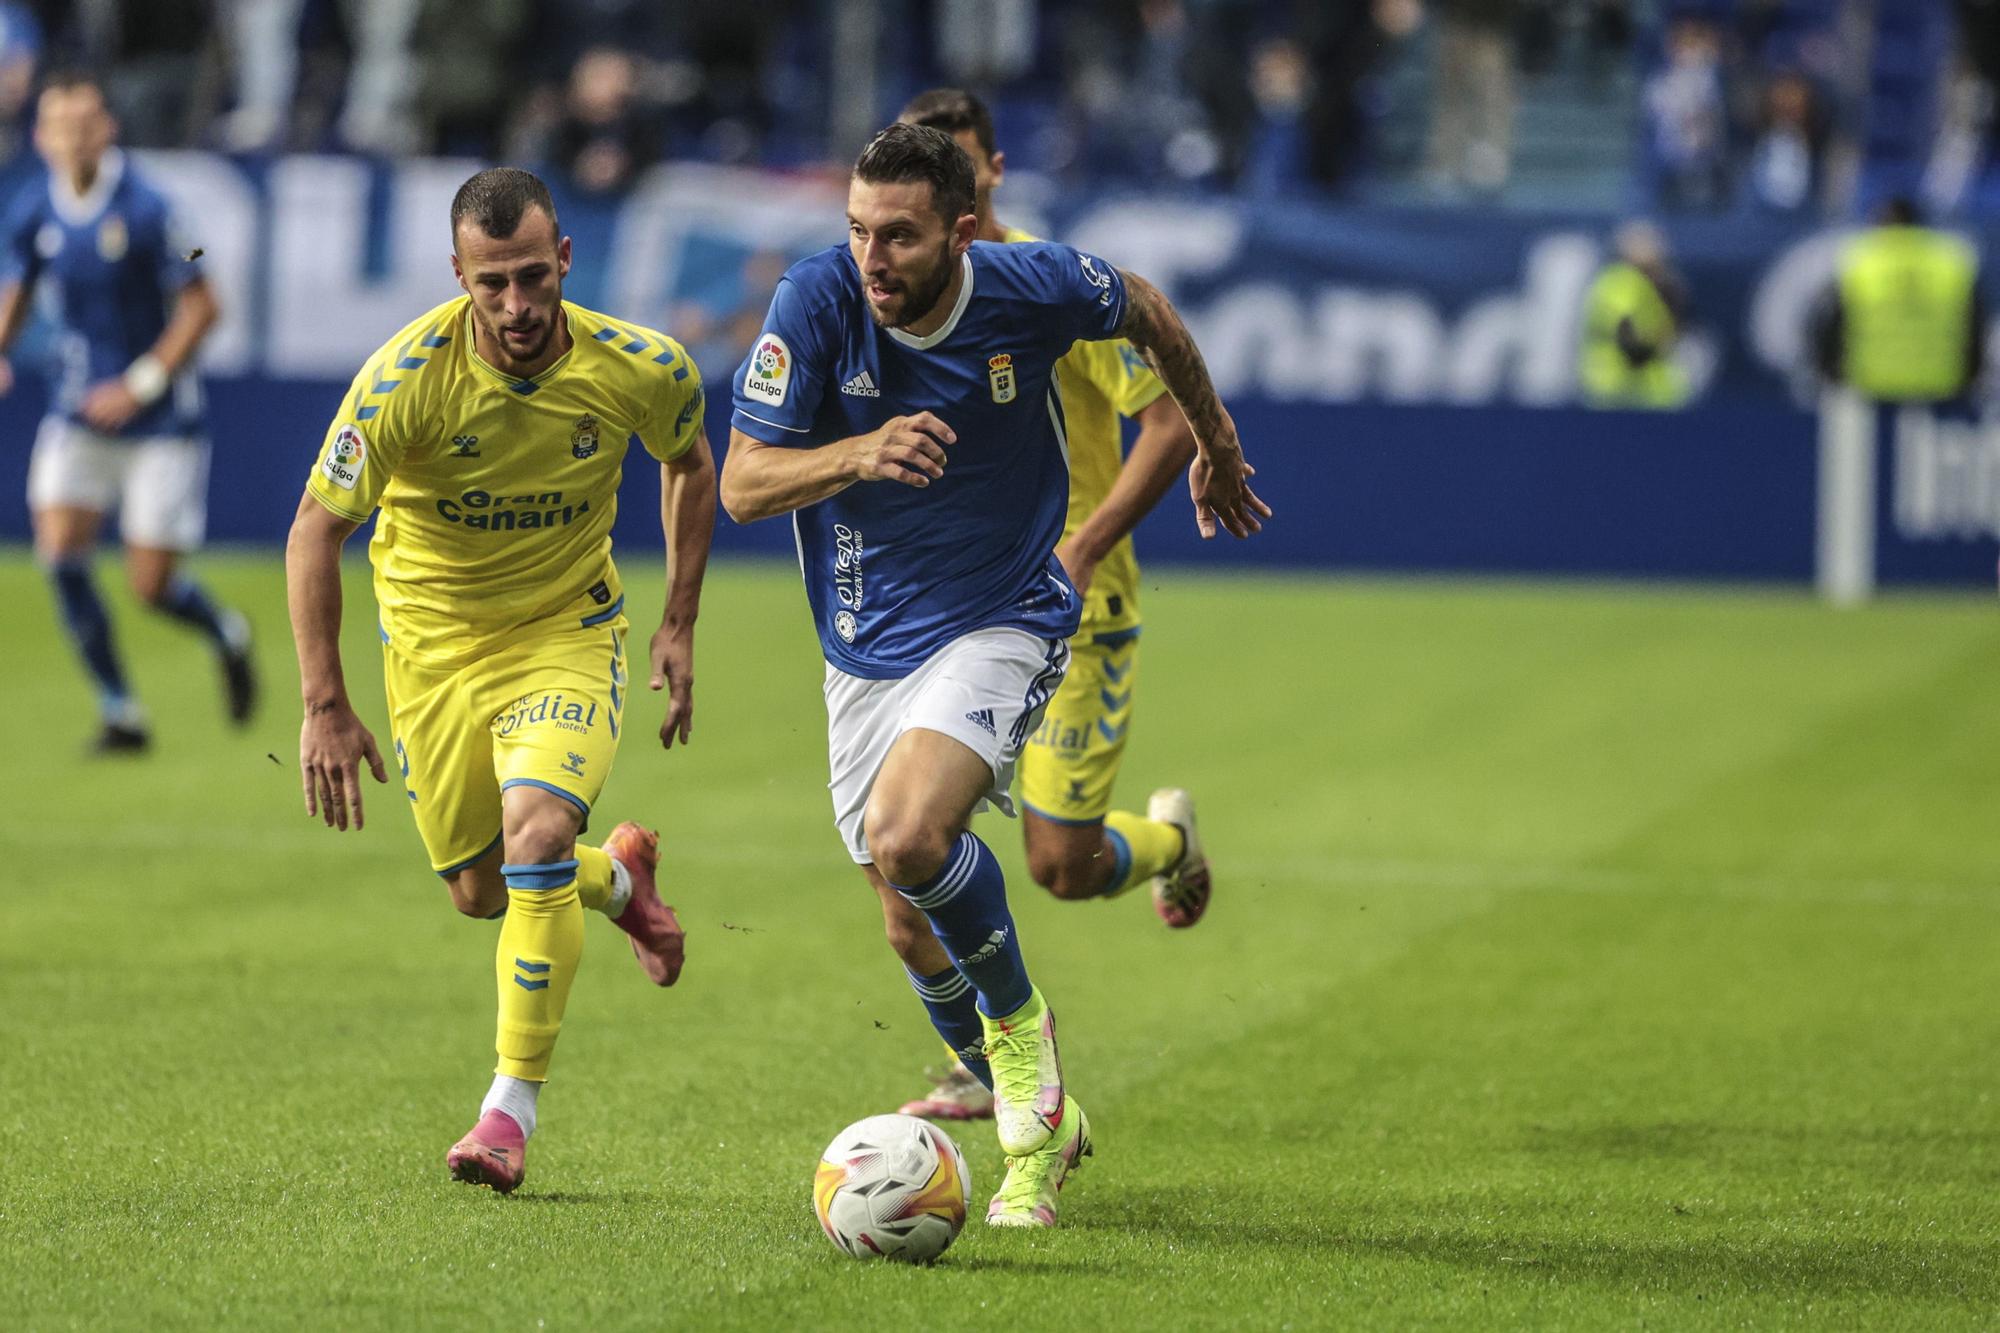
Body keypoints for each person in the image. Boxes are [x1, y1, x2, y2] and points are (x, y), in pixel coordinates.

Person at [719, 123, 1268, 1228]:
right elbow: (740, 483)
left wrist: (1211, 436)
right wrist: (856, 452)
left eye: (901, 238)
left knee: (913, 835)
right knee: (904, 915)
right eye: (859, 232)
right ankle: (1048, 1126)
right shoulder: (817, 304)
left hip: (1005, 612)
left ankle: (1025, 1079)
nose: (872, 259)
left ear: (961, 232)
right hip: (865, 646)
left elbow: (1148, 307)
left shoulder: (1027, 286)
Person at [284, 167, 715, 1194]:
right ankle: (616, 879)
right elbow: (315, 531)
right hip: (432, 652)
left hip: (565, 632)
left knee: (533, 835)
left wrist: (677, 622)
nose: (516, 307)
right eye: (492, 285)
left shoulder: (639, 365)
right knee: (481, 891)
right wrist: (323, 703)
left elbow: (690, 463)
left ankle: (506, 1113)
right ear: (457, 276)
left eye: (533, 277)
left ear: (566, 259)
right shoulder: (404, 382)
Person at [891, 88, 1209, 1128]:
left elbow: (1165, 425)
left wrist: (1077, 549)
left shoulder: (1041, 286)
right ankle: (988, 1060)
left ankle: (1168, 845)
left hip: (1075, 606)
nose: (952, 176)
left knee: (1058, 867)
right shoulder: (889, 284)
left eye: (966, 162)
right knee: (910, 852)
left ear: (988, 176)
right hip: (951, 611)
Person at [0, 70, 254, 754]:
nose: (74, 139)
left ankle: (227, 632)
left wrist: (140, 383)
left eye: (86, 124)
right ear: (41, 136)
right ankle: (121, 711)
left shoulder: (155, 210)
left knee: (151, 586)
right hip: (77, 411)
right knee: (59, 556)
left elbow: (205, 302)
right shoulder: (33, 209)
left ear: (108, 129)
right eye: (60, 126)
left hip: (159, 420)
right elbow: (17, 286)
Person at [1812, 196, 1985, 403]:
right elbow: (1975, 325)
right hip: (1940, 383)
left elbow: (1830, 323)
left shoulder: (1861, 261)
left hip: (1872, 381)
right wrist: (1970, 377)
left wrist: (1831, 374)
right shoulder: (1950, 263)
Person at [1579, 221, 1692, 409]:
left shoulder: (1613, 281)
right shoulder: (1622, 284)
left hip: (1631, 389)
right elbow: (1630, 338)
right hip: (1621, 388)